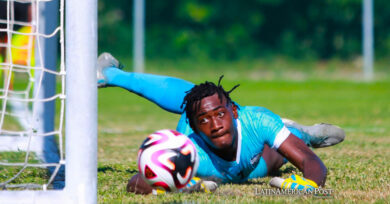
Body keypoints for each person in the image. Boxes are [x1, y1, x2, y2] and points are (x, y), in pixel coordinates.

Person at [97, 53, 345, 194]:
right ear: (193, 127)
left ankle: (303, 133)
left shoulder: (256, 120)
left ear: (234, 112)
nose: (214, 124)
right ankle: (109, 74)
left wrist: (311, 185)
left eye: (219, 114)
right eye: (203, 120)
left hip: (253, 149)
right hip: (224, 157)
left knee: (280, 155)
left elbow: (310, 163)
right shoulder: (188, 148)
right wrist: (172, 182)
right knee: (196, 99)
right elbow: (138, 181)